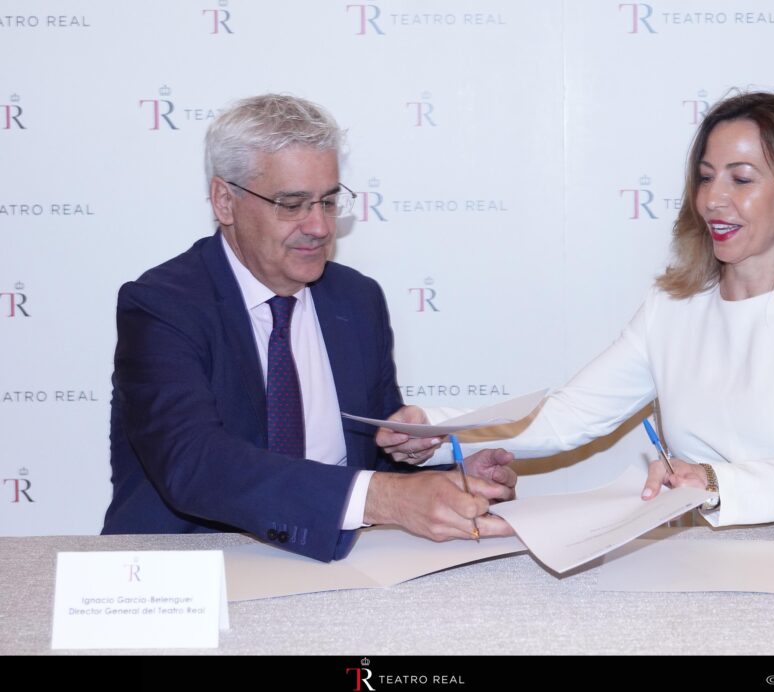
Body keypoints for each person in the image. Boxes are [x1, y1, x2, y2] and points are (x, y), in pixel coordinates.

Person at [380, 91, 774, 526]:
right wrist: (434, 431)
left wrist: (713, 482)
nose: (712, 199)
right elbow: (567, 416)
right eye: (705, 176)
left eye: (741, 179)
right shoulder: (672, 307)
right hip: (731, 565)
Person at [102, 94, 515, 561]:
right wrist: (388, 497)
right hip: (187, 570)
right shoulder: (163, 305)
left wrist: (439, 473)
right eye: (292, 203)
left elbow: (370, 461)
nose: (319, 226)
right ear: (225, 200)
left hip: (334, 561)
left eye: (329, 200)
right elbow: (195, 465)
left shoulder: (356, 300)